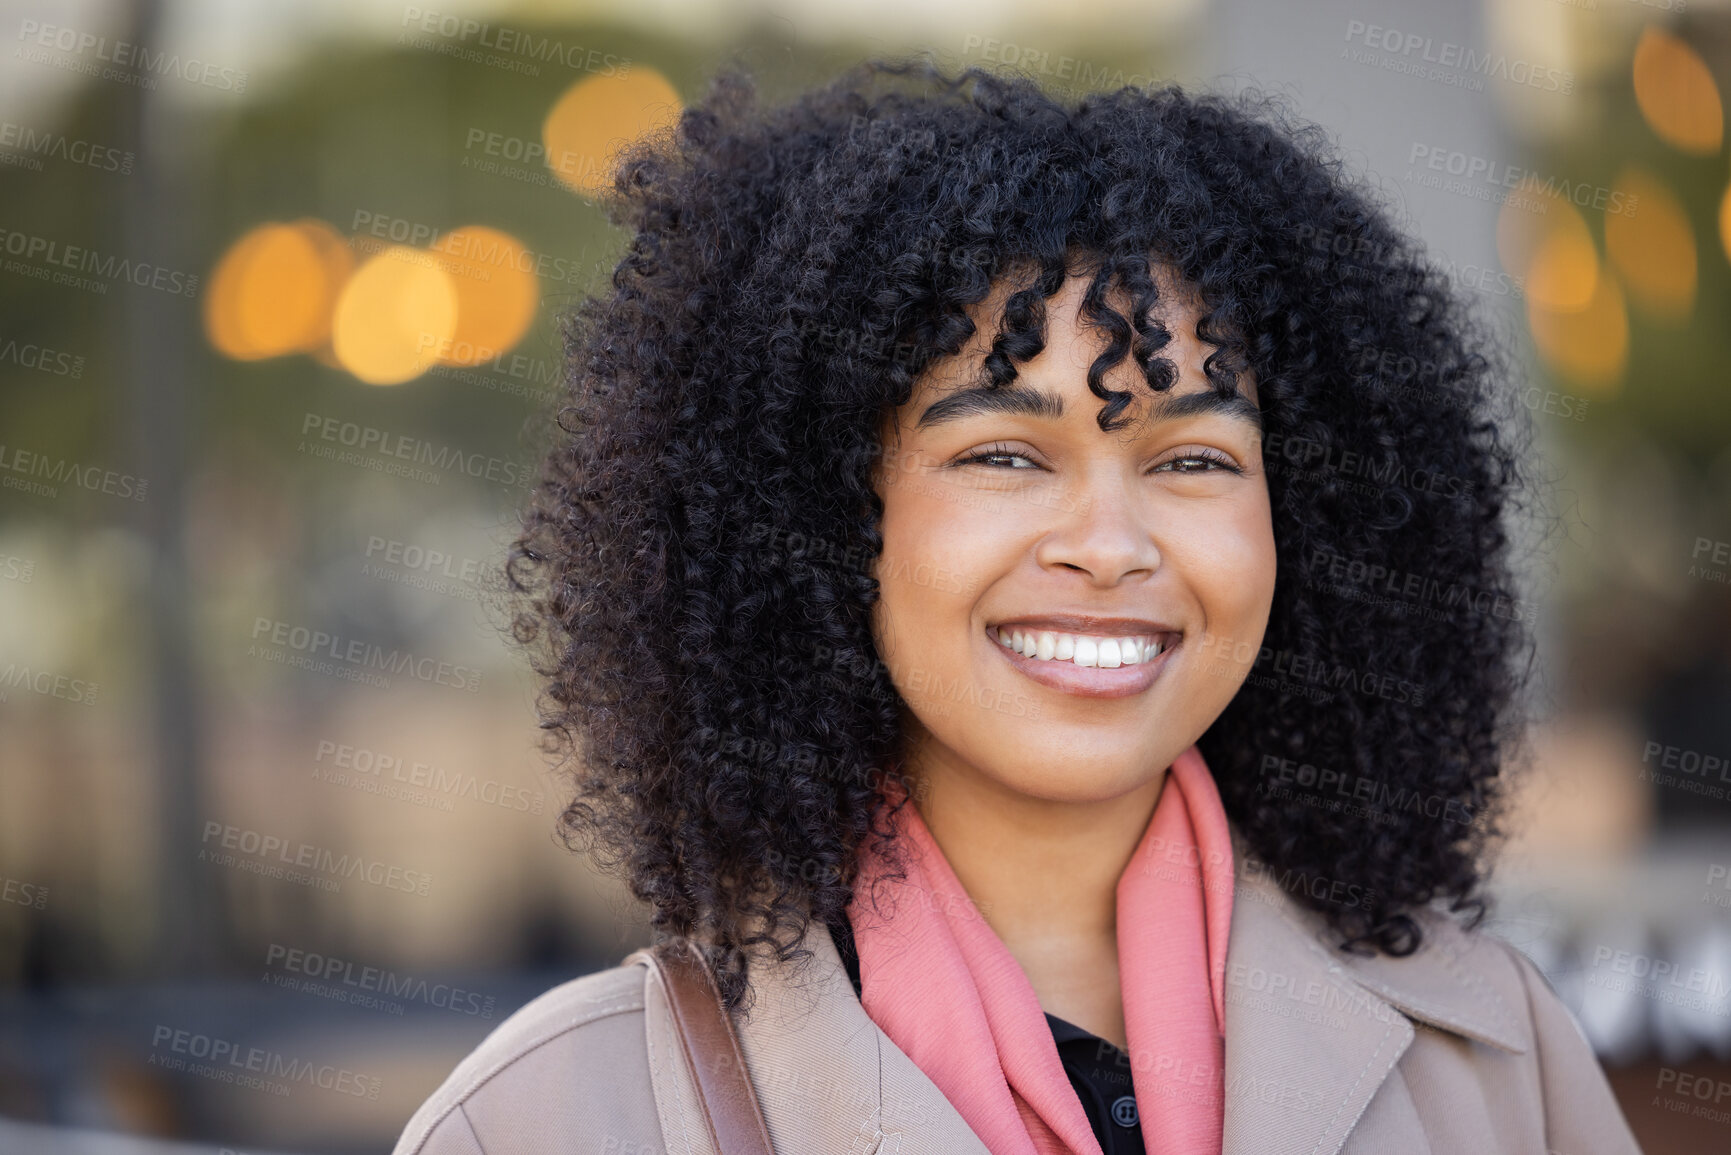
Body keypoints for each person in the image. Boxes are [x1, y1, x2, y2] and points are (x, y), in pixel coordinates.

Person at [392, 56, 1643, 1155]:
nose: (1108, 546)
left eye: (1194, 461)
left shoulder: (1493, 1064)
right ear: (828, 520)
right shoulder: (552, 1117)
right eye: (1003, 454)